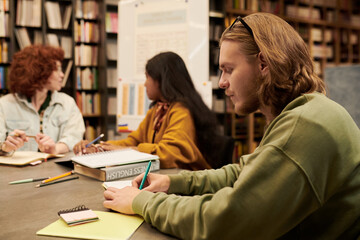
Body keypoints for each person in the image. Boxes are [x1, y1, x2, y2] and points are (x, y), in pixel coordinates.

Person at [102, 13, 360, 239]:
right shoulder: (301, 112)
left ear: (263, 64)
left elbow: (225, 222)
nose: (222, 82)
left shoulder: (304, 125)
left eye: (228, 69)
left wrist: (142, 202)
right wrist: (175, 184)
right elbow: (242, 173)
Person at [74, 51, 224, 170]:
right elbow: (133, 141)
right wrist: (99, 147)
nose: (144, 84)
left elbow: (169, 154)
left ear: (162, 81)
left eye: (147, 77)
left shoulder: (181, 111)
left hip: (187, 184)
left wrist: (127, 151)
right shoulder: (157, 110)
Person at [0, 45, 85, 155]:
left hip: (56, 170)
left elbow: (74, 137)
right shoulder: (4, 104)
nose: (62, 75)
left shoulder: (67, 103)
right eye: (57, 69)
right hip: (17, 171)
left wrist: (55, 149)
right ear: (39, 72)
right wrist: (5, 147)